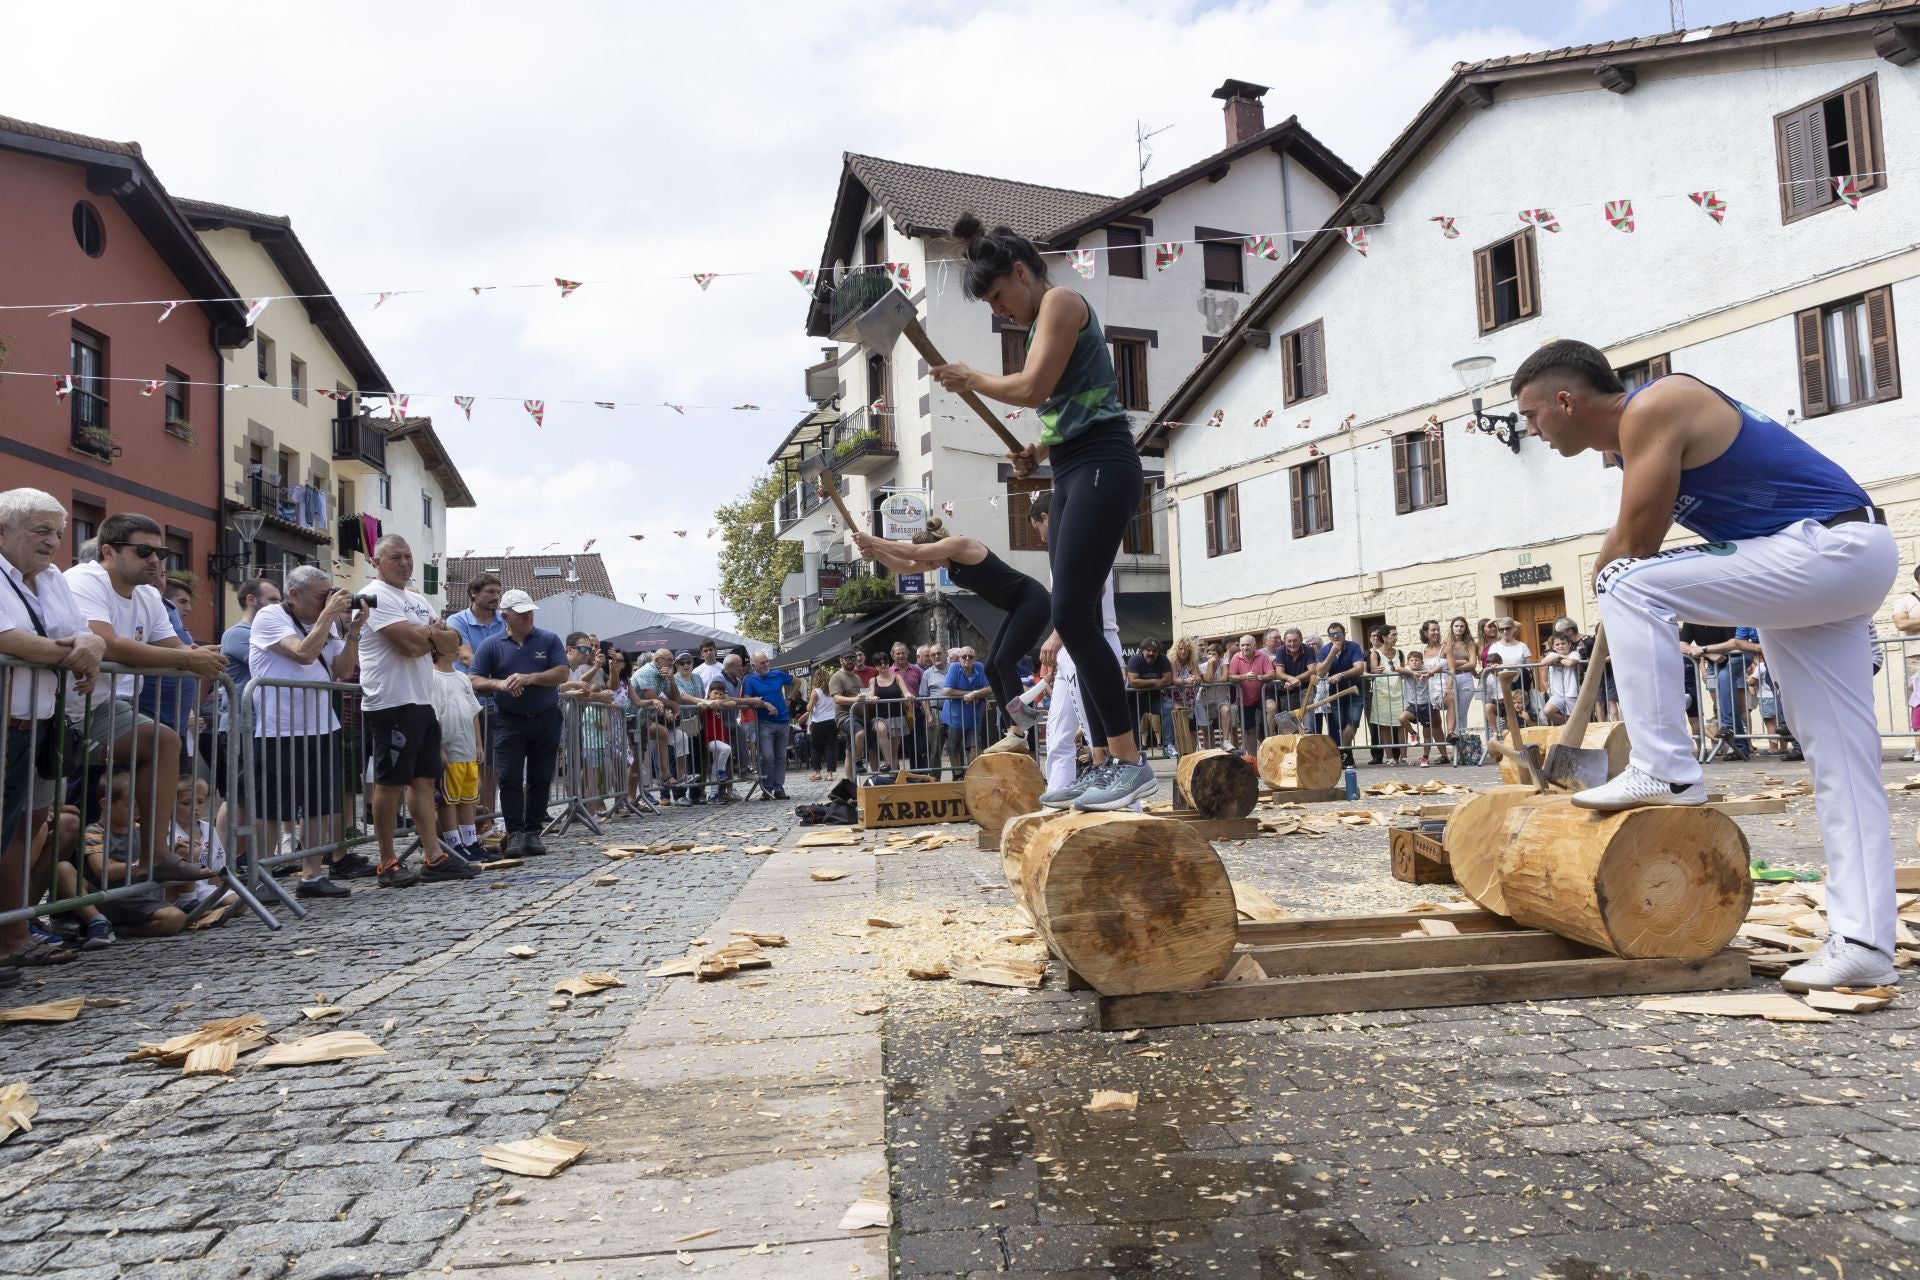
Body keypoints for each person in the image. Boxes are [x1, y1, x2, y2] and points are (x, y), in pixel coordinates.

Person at [1514, 338, 1900, 992]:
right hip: (1832, 561)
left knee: (1633, 583)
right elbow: (1621, 539)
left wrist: (1614, 583)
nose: (1531, 430)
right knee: (1841, 760)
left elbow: (1636, 545)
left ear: (1565, 400)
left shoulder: (1657, 404)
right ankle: (1864, 942)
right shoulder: (1629, 442)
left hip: (1828, 548)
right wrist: (1609, 577)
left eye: (1532, 416)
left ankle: (1662, 767)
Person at [932, 212, 1153, 812]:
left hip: (1106, 463)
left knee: (1073, 615)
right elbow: (1073, 406)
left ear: (1021, 273)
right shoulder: (1040, 323)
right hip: (1076, 463)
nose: (1000, 311)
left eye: (1000, 297)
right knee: (1074, 617)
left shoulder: (1060, 301)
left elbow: (1032, 390)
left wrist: (971, 378)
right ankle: (1108, 762)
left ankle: (1130, 762)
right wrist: (1038, 448)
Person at [66, 512, 226, 882]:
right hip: (62, 705)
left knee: (163, 742)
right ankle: (56, 909)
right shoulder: (85, 578)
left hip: (105, 705)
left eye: (161, 552)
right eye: (143, 551)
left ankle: (155, 854)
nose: (155, 560)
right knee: (63, 813)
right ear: (108, 550)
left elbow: (172, 648)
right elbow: (108, 643)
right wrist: (189, 658)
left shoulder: (148, 596)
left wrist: (202, 656)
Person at [0, 489, 106, 966]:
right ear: (3, 529)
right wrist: (76, 652)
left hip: (40, 722)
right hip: (8, 723)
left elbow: (82, 631)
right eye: (40, 531)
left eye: (58, 534)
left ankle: (13, 933)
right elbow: (8, 638)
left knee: (28, 831)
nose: (52, 543)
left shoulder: (52, 579)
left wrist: (89, 645)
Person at [852, 521, 1050, 738]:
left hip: (1032, 600)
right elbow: (907, 566)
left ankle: (1019, 727)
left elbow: (914, 552)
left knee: (1004, 661)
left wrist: (872, 540)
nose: (930, 565)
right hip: (1015, 607)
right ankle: (1013, 729)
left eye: (929, 559)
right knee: (992, 668)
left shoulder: (961, 546)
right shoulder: (946, 563)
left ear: (938, 546)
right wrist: (877, 553)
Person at [357, 535, 470, 886]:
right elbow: (407, 646)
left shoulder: (418, 599)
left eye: (408, 556)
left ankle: (433, 856)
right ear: (377, 562)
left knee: (424, 779)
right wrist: (431, 635)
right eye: (395, 557)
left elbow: (452, 645)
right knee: (390, 782)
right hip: (391, 701)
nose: (405, 563)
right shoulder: (373, 596)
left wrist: (429, 635)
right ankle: (387, 861)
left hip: (422, 700)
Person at [248, 565, 363, 899]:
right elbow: (302, 653)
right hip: (278, 728)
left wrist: (354, 629)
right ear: (294, 595)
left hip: (322, 724)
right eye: (320, 596)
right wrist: (329, 616)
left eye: (329, 594)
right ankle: (263, 877)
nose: (326, 601)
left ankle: (311, 877)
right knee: (273, 806)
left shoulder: (322, 622)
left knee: (319, 805)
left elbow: (341, 670)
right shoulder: (270, 616)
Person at [1024, 492, 1122, 793]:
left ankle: (1126, 803)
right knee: (1058, 732)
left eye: (1037, 530)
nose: (1041, 539)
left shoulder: (1078, 540)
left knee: (1098, 734)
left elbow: (1096, 589)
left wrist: (1057, 635)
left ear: (1045, 518)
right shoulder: (1063, 547)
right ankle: (1057, 794)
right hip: (1074, 646)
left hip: (1093, 640)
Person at [468, 589, 568, 856]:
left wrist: (528, 678)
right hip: (509, 720)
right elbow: (474, 679)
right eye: (521, 614)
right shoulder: (492, 644)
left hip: (546, 718)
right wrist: (499, 684)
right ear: (505, 616)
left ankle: (533, 832)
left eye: (529, 612)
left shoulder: (548, 639)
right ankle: (514, 832)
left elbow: (561, 672)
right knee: (509, 776)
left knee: (540, 776)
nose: (527, 617)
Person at [430, 641, 485, 862]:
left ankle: (470, 841)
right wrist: (439, 748)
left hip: (467, 748)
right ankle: (454, 844)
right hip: (449, 747)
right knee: (448, 799)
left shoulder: (462, 678)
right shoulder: (432, 678)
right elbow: (432, 716)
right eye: (454, 643)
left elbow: (474, 712)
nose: (460, 648)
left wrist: (478, 744)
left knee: (467, 798)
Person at [742, 650, 795, 800]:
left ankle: (778, 788)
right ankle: (767, 788)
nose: (766, 665)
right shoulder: (750, 680)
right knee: (767, 757)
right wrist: (765, 704)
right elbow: (747, 699)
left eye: (767, 661)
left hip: (783, 721)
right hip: (764, 723)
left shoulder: (777, 674)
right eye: (762, 662)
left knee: (780, 757)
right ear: (754, 665)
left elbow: (796, 681)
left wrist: (789, 699)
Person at [1314, 622, 1368, 764]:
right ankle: (1347, 756)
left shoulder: (1353, 646)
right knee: (1341, 725)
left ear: (1344, 634)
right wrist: (1332, 654)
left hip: (1355, 690)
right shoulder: (1326, 650)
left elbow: (1359, 668)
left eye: (1338, 633)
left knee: (1353, 722)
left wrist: (1341, 675)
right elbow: (1320, 672)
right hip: (1336, 693)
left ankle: (1342, 752)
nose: (1336, 636)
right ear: (1329, 636)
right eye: (1332, 634)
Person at [939, 647, 992, 778]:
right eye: (964, 656)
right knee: (953, 747)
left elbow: (990, 688)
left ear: (975, 658)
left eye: (970, 656)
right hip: (954, 716)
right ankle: (957, 775)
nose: (967, 659)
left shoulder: (979, 667)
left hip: (974, 716)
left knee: (975, 745)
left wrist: (974, 694)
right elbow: (947, 691)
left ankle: (971, 775)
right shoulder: (954, 668)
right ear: (959, 658)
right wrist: (968, 694)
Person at [1125, 638, 1176, 760]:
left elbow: (1168, 680)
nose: (1152, 653)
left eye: (1155, 651)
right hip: (1134, 699)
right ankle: (1134, 751)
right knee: (1132, 723)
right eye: (1148, 650)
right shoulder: (1135, 660)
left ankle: (1169, 746)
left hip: (1155, 698)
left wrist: (1144, 683)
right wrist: (1154, 681)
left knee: (1168, 708)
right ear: (1142, 650)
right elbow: (1133, 682)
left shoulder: (1163, 659)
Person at [1227, 635, 1272, 759]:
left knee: (1271, 707)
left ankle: (1271, 735)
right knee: (1249, 730)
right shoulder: (1236, 657)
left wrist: (1259, 677)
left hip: (1261, 695)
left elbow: (1271, 674)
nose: (1245, 647)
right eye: (1242, 645)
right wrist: (1245, 676)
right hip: (1244, 700)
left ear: (1254, 645)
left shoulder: (1262, 656)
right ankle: (1253, 760)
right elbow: (1230, 677)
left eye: (1247, 645)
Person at [1367, 626, 1405, 765]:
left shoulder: (1400, 653)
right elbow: (1373, 669)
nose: (1396, 637)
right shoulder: (1375, 654)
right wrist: (1375, 670)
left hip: (1398, 691)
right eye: (1393, 635)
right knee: (1384, 726)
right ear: (1384, 637)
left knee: (1401, 724)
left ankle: (1404, 756)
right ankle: (1389, 757)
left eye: (1396, 634)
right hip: (1382, 692)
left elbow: (1403, 670)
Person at [1539, 632, 1582, 726]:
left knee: (1573, 717)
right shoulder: (1552, 655)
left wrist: (1558, 658)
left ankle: (1573, 728)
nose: (1560, 646)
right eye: (1557, 644)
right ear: (1553, 647)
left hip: (1572, 692)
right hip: (1557, 694)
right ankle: (1568, 725)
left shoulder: (1574, 653)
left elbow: (1570, 663)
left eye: (1563, 643)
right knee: (1547, 710)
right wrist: (1558, 656)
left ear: (1569, 644)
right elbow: (1542, 663)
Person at [804, 665, 839, 779]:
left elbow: (809, 708)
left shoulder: (816, 692)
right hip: (832, 721)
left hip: (818, 722)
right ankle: (830, 774)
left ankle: (818, 773)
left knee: (815, 747)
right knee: (830, 747)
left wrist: (809, 701)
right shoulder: (832, 691)